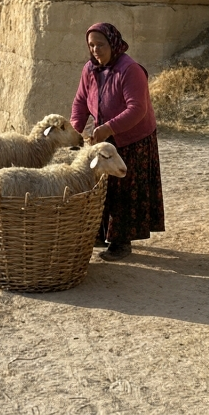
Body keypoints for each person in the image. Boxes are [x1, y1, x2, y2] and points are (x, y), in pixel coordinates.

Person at [69, 22, 165, 261]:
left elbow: (137, 109)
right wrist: (74, 132)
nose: (95, 50)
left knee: (124, 189)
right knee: (101, 187)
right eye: (91, 45)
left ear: (113, 43)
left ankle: (122, 242)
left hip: (133, 140)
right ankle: (100, 234)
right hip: (103, 140)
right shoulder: (90, 70)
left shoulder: (130, 70)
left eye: (100, 45)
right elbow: (81, 102)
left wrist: (108, 128)